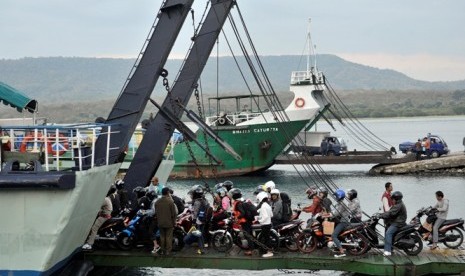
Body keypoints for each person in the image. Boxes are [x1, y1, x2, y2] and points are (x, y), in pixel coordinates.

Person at [379, 191, 407, 256]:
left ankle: (388, 251)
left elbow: (390, 213)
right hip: (398, 221)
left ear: (396, 199)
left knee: (388, 233)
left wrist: (381, 215)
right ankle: (390, 247)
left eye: (393, 199)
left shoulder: (398, 206)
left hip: (398, 223)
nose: (392, 200)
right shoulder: (399, 204)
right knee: (388, 229)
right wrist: (381, 214)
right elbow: (390, 212)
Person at [229, 188, 254, 256]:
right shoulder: (242, 201)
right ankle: (251, 247)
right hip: (248, 220)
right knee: (250, 235)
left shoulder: (238, 203)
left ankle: (250, 250)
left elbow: (242, 213)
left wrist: (237, 218)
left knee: (248, 235)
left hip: (244, 222)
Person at [155, 187, 177, 255]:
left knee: (162, 236)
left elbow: (156, 213)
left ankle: (162, 250)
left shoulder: (157, 202)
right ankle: (168, 251)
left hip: (160, 222)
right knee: (168, 237)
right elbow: (173, 214)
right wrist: (174, 222)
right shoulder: (170, 202)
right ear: (168, 192)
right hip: (169, 223)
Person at [327, 189, 350, 258]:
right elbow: (333, 211)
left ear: (339, 196)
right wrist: (327, 214)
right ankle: (338, 246)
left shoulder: (342, 205)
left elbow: (335, 214)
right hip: (341, 221)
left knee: (333, 236)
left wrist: (326, 215)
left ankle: (342, 252)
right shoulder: (339, 203)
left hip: (343, 222)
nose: (335, 197)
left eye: (336, 196)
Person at [256, 191, 274, 258]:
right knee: (265, 237)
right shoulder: (268, 205)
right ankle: (265, 249)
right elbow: (271, 215)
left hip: (265, 225)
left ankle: (269, 252)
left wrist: (259, 220)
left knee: (266, 238)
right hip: (268, 224)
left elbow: (265, 216)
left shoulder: (263, 206)